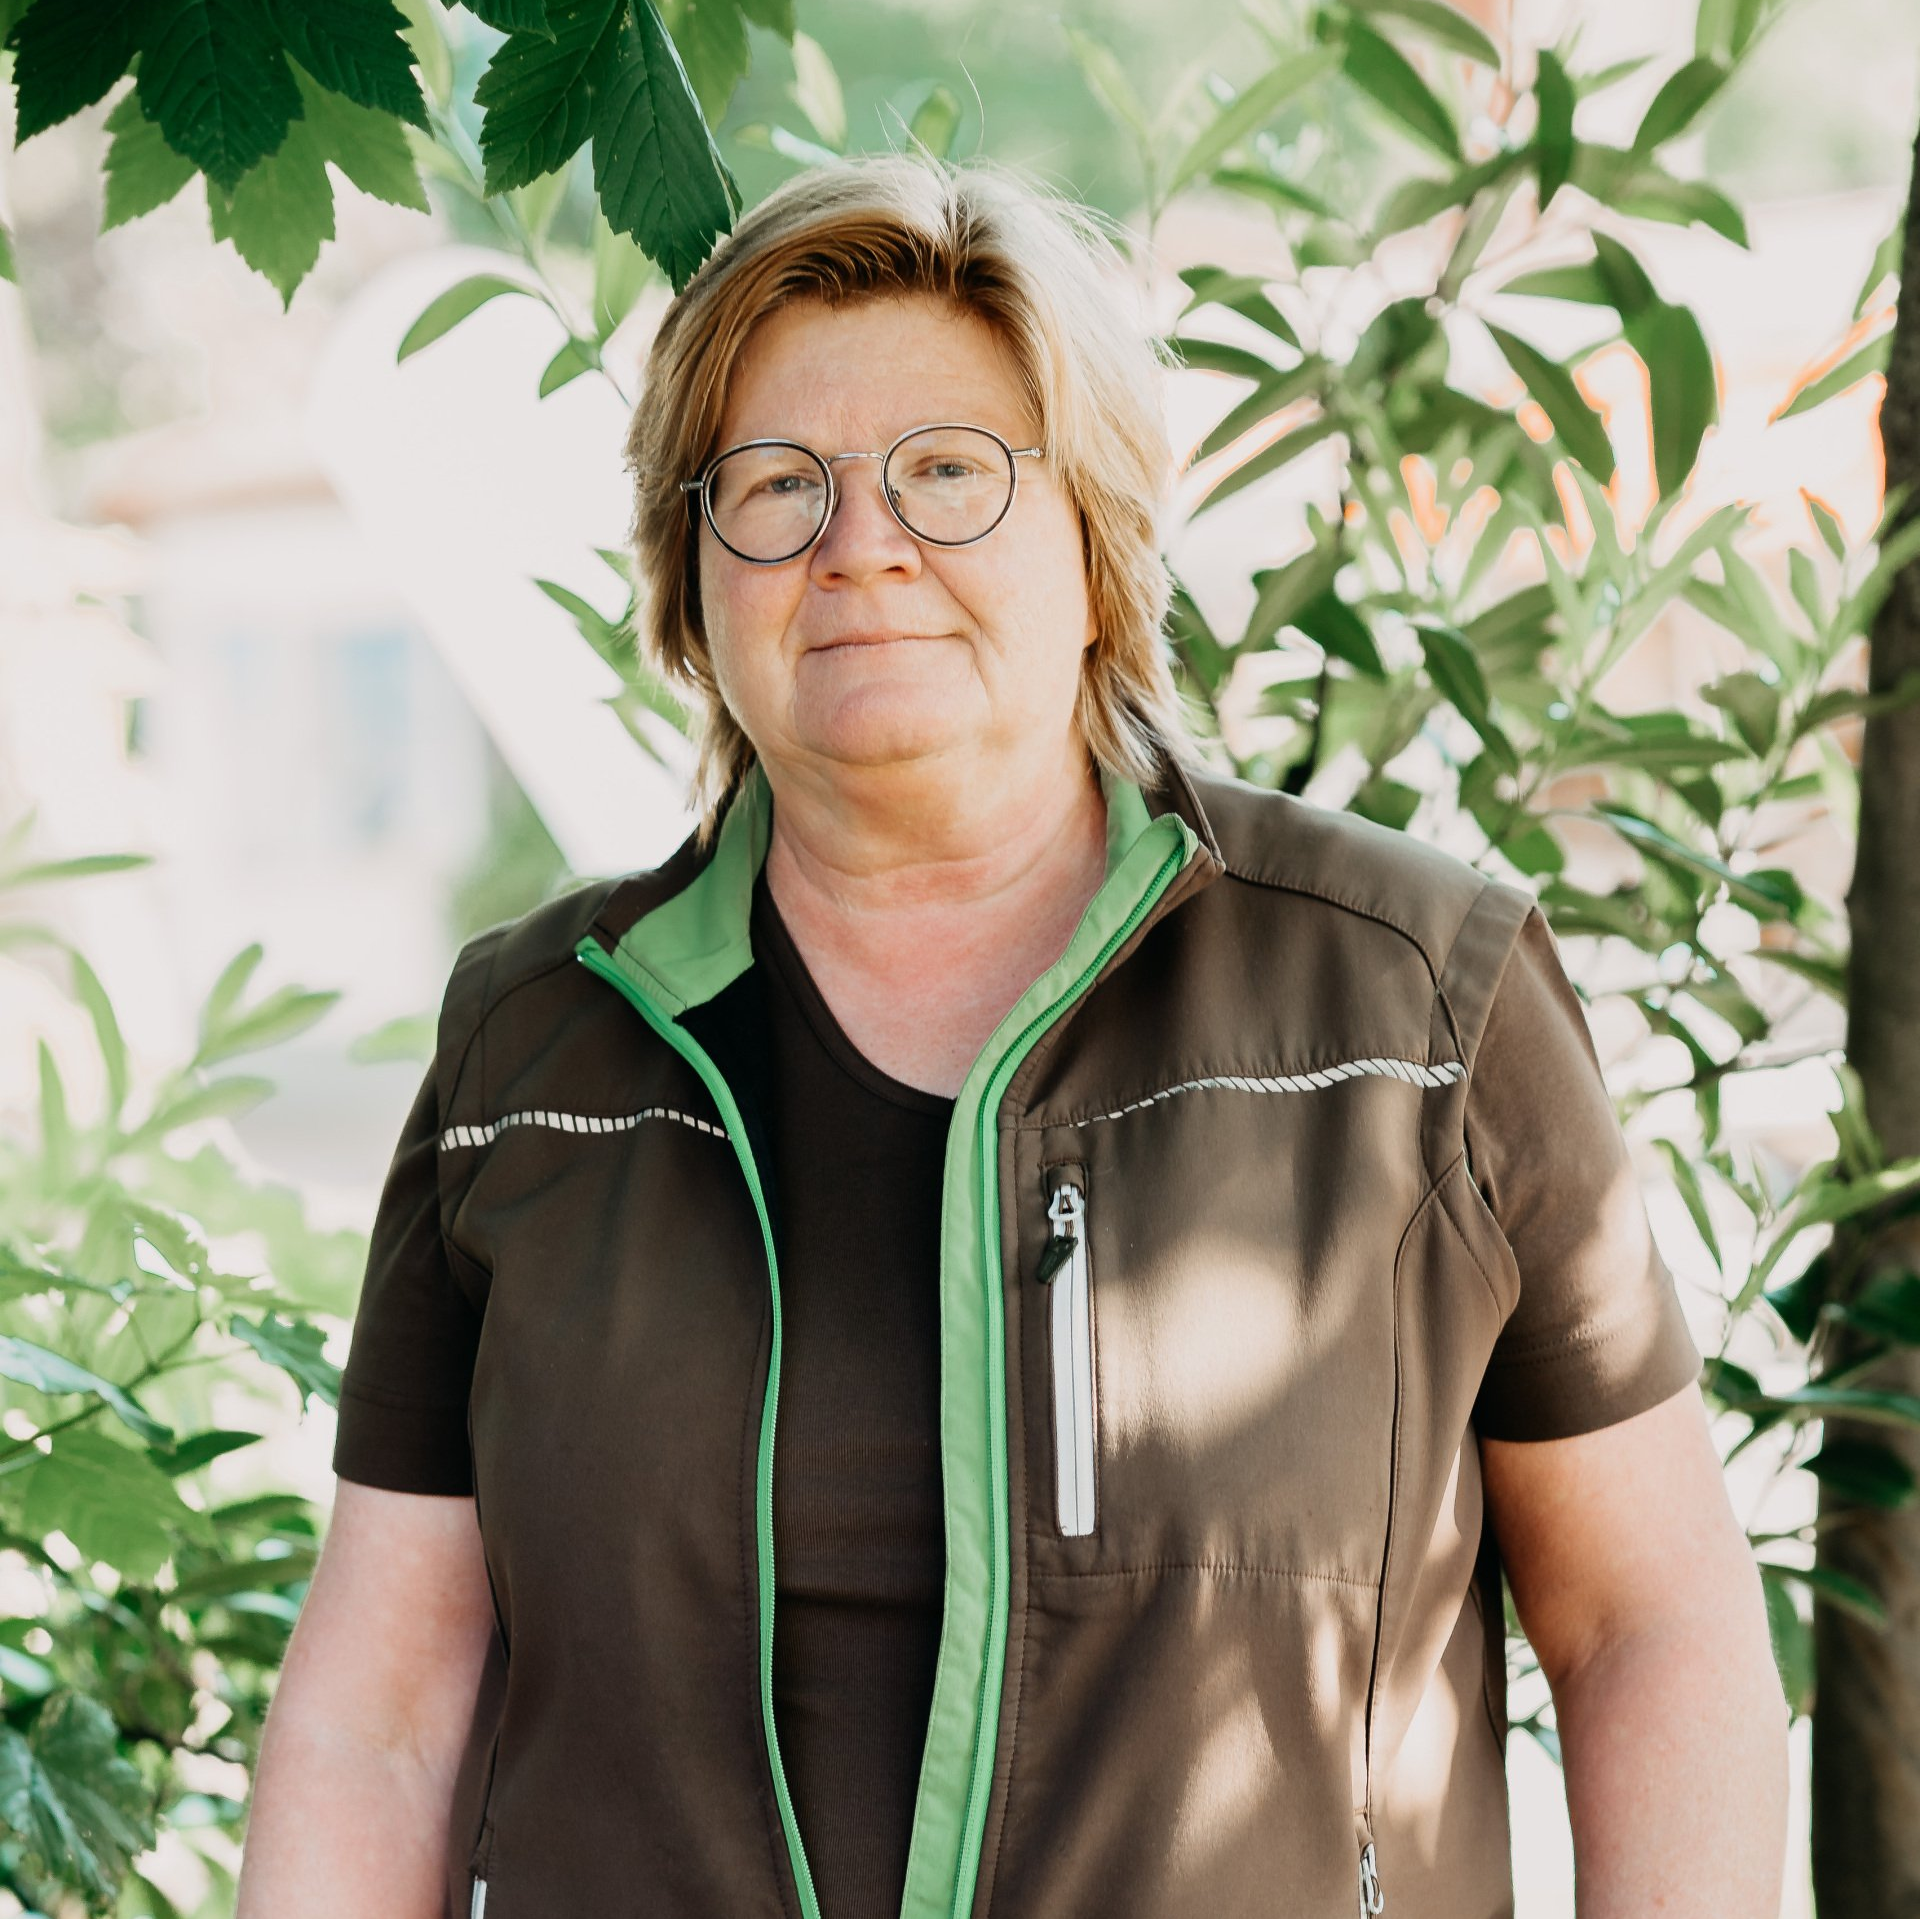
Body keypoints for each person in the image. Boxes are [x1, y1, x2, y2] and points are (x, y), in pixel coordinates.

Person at [236, 152, 1787, 1919]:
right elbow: (382, 1718)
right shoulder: (532, 1054)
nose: (861, 543)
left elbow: (1650, 1621)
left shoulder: (1417, 1004)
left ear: (1097, 544)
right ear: (692, 572)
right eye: (777, 484)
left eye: (951, 471)